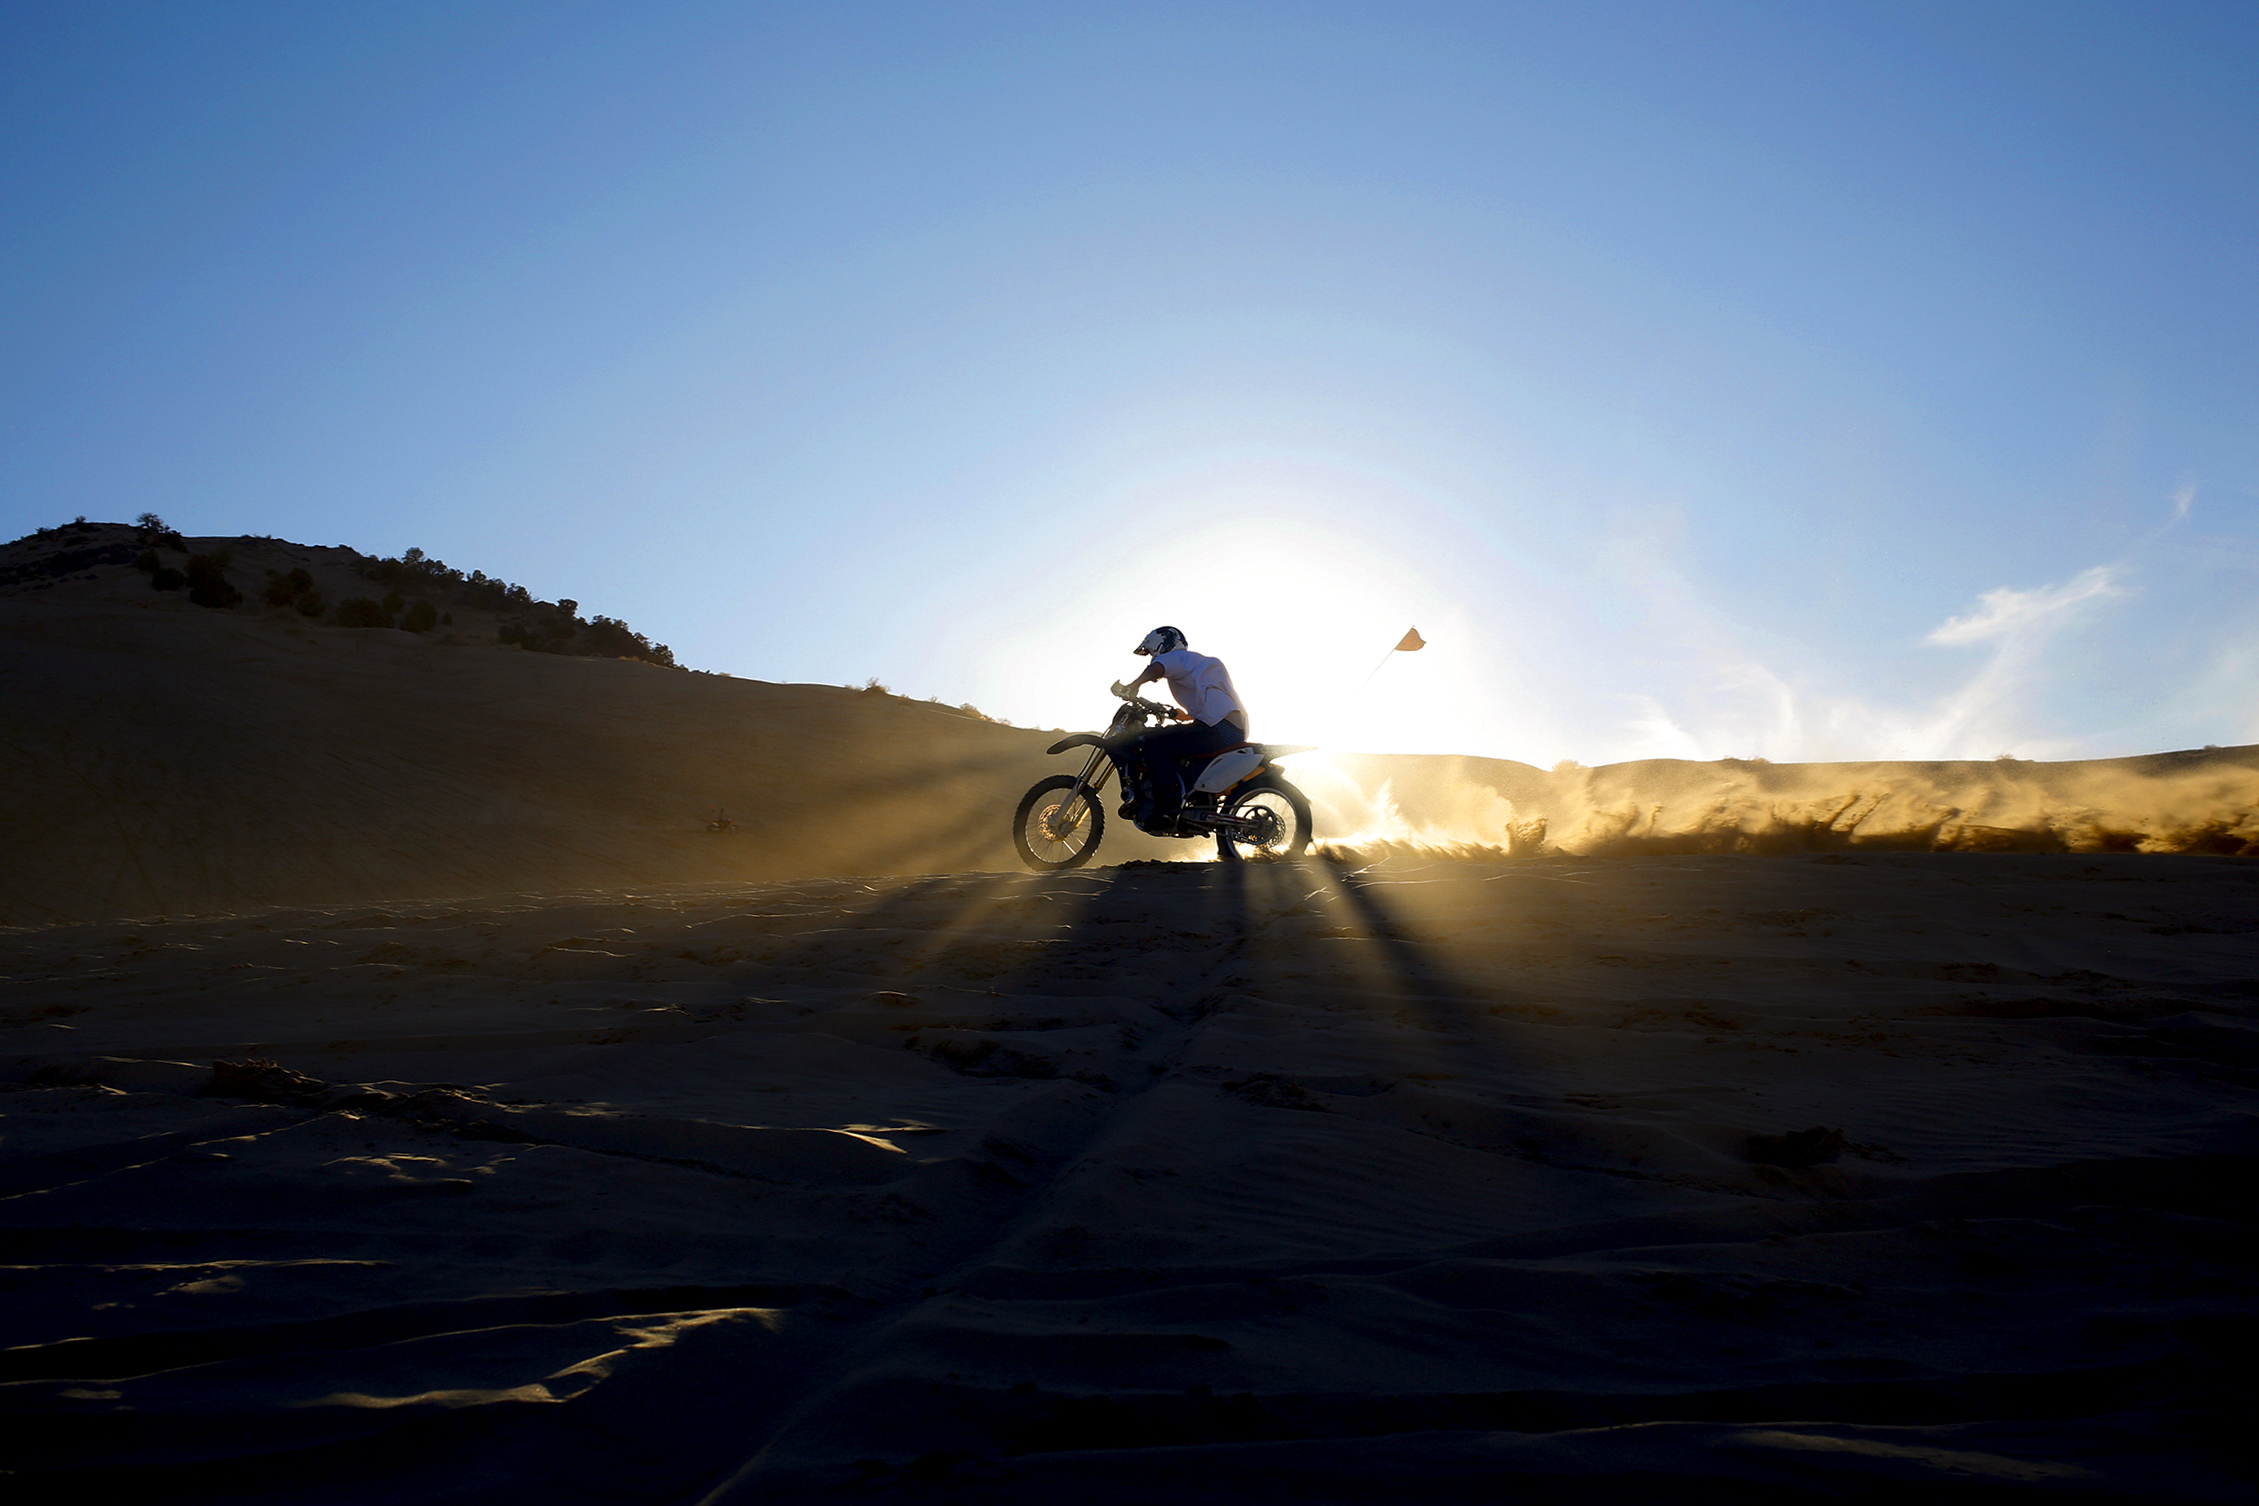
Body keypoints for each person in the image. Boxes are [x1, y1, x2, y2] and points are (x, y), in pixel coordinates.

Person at [1109, 625, 1249, 829]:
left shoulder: (1174, 658)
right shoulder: (1193, 663)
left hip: (1218, 728)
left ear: (1160, 645)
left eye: (1150, 651)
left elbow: (1157, 668)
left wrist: (1135, 684)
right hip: (1229, 728)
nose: (1151, 656)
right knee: (1174, 743)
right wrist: (1173, 714)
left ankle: (1168, 805)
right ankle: (1189, 800)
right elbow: (1194, 710)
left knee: (1153, 742)